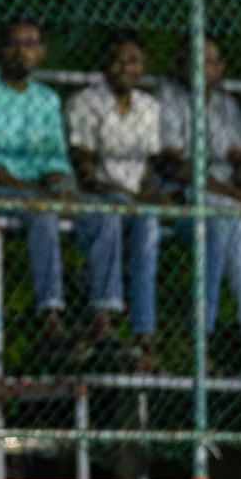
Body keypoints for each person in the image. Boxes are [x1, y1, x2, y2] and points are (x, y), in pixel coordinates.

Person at [0, 19, 75, 344]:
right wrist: (40, 193)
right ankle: (51, 317)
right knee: (42, 211)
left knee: (97, 213)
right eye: (15, 43)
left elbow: (54, 159)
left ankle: (103, 323)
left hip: (34, 193)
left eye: (30, 44)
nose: (22, 51)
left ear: (42, 52)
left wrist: (61, 186)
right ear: (2, 49)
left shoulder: (47, 100)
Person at [155, 39, 241, 349]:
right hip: (188, 190)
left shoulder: (225, 104)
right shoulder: (169, 97)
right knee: (234, 217)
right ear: (180, 65)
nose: (205, 67)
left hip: (230, 191)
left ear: (221, 67)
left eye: (211, 60)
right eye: (196, 59)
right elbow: (178, 165)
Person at [65, 31, 164, 366]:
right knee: (109, 214)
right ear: (105, 65)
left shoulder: (149, 107)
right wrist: (118, 192)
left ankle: (143, 332)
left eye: (134, 60)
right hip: (94, 197)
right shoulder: (85, 102)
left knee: (148, 223)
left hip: (134, 201)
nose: (127, 67)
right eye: (120, 59)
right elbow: (83, 165)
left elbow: (147, 170)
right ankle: (103, 322)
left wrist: (153, 197)